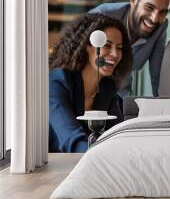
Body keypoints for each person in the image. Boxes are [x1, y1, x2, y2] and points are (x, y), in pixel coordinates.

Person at [49, 13, 133, 153]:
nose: (115, 54)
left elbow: (118, 136)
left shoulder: (108, 88)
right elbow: (72, 141)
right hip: (54, 167)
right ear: (87, 46)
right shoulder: (57, 82)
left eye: (119, 48)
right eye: (107, 45)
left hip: (90, 164)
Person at [90, 0, 170, 96]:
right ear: (133, 0)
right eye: (149, 7)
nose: (155, 18)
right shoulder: (101, 16)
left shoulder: (161, 26)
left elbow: (158, 76)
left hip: (121, 96)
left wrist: (164, 110)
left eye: (163, 12)